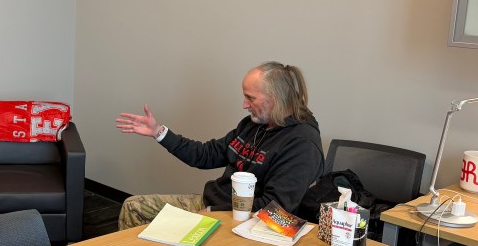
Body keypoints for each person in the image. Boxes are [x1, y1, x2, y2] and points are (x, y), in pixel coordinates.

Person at [115, 61, 323, 230]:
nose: (244, 105)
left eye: (250, 98)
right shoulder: (253, 125)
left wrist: (214, 212)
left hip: (242, 221)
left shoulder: (302, 144)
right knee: (134, 207)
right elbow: (206, 155)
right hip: (214, 205)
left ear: (275, 99)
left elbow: (275, 208)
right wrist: (159, 132)